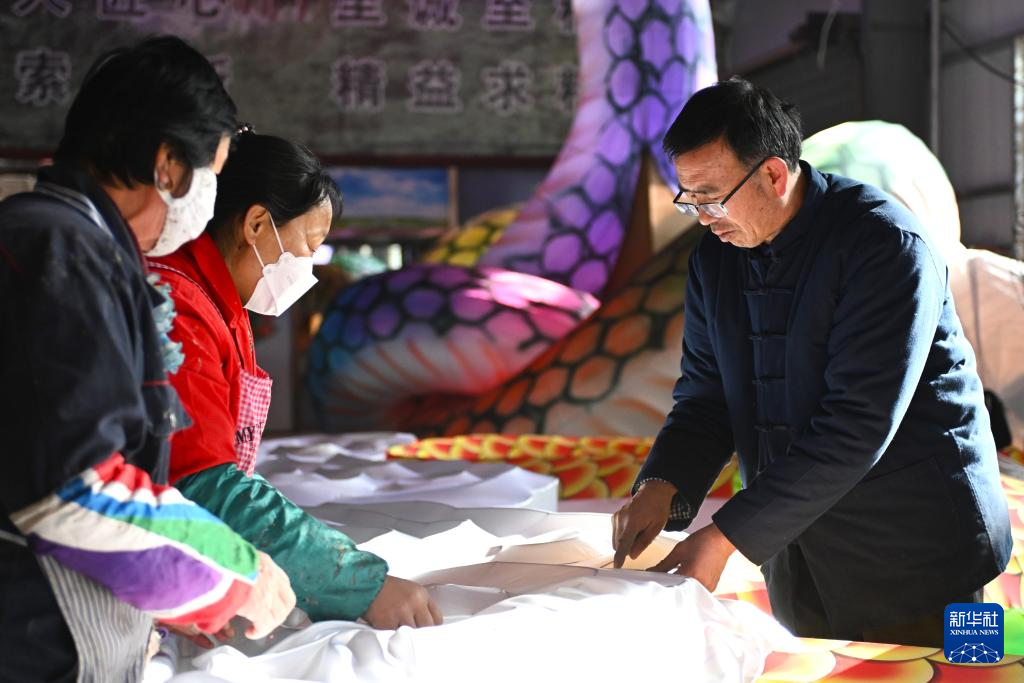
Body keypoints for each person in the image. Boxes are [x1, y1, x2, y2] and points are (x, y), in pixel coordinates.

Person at [611, 77, 1011, 647]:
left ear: (774, 175)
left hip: (923, 548)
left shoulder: (885, 246)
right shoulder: (715, 259)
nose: (702, 217)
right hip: (798, 549)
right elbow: (705, 398)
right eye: (689, 199)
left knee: (956, 673)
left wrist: (722, 539)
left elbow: (857, 424)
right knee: (815, 670)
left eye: (712, 197)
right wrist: (661, 483)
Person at [0, 37, 295, 682]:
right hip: (34, 637)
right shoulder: (63, 250)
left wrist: (165, 596)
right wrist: (232, 575)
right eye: (211, 174)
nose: (210, 198)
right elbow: (77, 492)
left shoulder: (79, 246)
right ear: (166, 165)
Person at [147, 131, 442, 630]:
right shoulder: (179, 308)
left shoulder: (221, 304)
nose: (307, 267)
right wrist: (359, 583)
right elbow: (203, 483)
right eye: (308, 246)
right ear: (256, 224)